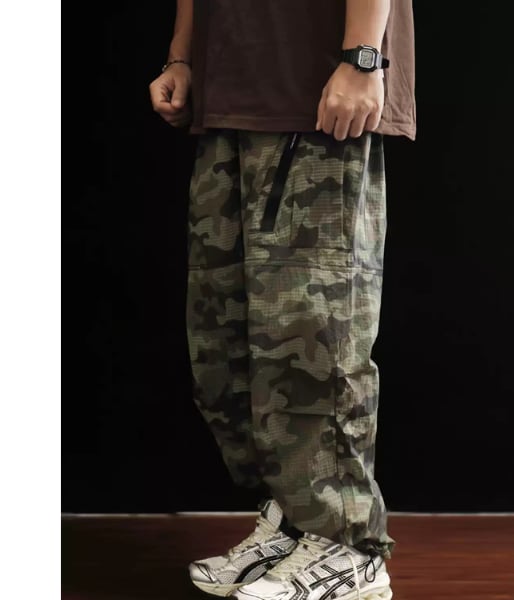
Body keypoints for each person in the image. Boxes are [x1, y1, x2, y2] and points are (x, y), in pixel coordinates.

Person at [149, 1, 416, 598]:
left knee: (312, 336)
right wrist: (182, 56)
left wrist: (363, 58)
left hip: (317, 88)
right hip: (230, 85)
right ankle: (296, 522)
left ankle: (348, 545)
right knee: (227, 338)